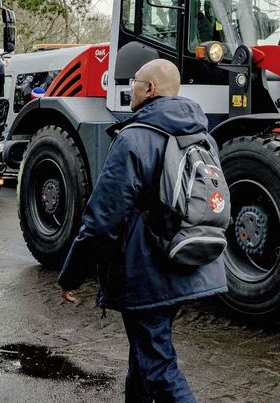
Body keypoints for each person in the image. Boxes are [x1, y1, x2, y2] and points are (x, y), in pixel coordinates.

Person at [57, 59, 226, 402]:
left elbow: (102, 220)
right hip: (186, 261)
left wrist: (71, 275)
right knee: (144, 357)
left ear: (150, 88)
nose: (130, 87)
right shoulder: (203, 135)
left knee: (159, 369)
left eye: (135, 81)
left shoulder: (134, 138)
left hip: (147, 272)